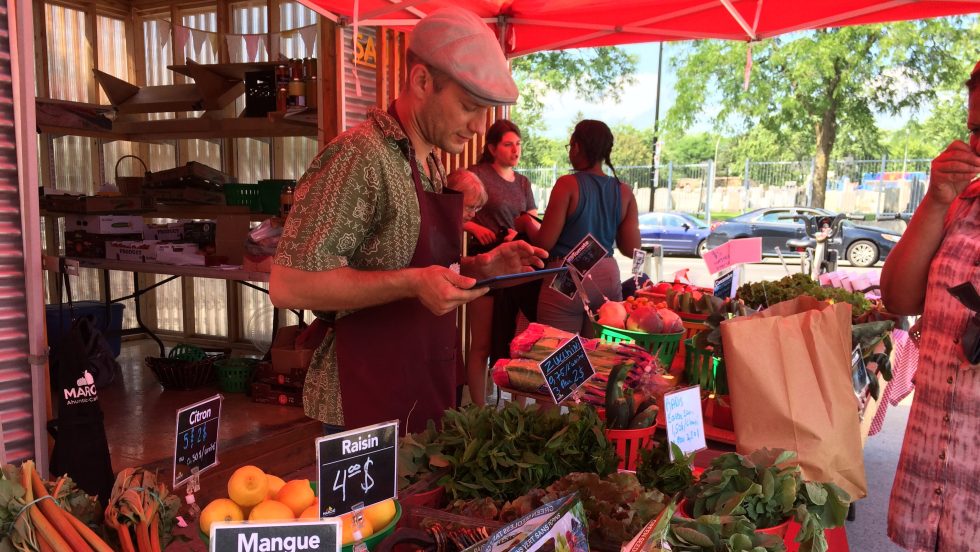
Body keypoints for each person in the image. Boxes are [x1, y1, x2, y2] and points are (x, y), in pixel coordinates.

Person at [269, 6, 546, 434]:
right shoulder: (359, 156)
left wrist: (481, 269)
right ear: (421, 81)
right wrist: (412, 283)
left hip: (421, 385)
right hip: (363, 400)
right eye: (469, 106)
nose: (477, 126)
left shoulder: (431, 162)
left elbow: (425, 270)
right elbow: (289, 284)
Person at [881, 60, 980, 552]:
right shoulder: (964, 200)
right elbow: (898, 298)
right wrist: (937, 200)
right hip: (935, 451)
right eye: (978, 130)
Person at [516, 120, 641, 337]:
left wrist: (527, 223)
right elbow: (632, 249)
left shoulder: (567, 185)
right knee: (598, 356)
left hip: (569, 275)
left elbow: (544, 243)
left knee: (559, 354)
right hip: (607, 277)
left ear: (576, 147)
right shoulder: (624, 192)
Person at [462, 120, 539, 405]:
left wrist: (518, 230)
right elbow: (452, 211)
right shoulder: (476, 174)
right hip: (484, 262)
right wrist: (474, 228)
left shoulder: (522, 182)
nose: (515, 150)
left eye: (518, 144)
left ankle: (516, 408)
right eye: (508, 144)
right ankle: (479, 409)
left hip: (516, 264)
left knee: (517, 343)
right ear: (492, 148)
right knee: (481, 343)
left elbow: (531, 218)